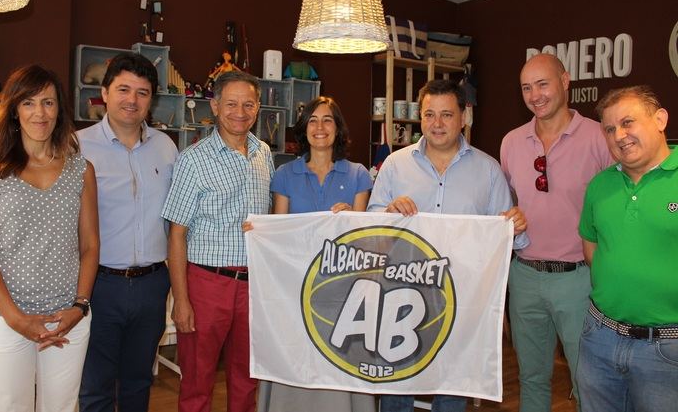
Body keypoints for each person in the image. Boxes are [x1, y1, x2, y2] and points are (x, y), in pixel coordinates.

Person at [368, 79, 528, 412]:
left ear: (463, 117)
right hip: (402, 292)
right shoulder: (395, 165)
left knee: (453, 386)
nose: (437, 124)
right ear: (420, 117)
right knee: (397, 383)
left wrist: (514, 226)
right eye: (429, 115)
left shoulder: (488, 171)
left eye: (446, 115)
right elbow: (370, 229)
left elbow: (504, 237)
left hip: (462, 298)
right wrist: (388, 212)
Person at [0, 65, 99, 412]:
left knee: (62, 407)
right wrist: (16, 318)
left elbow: (89, 245)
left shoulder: (81, 170)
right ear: (13, 110)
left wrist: (79, 307)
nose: (40, 112)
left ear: (59, 110)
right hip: (6, 318)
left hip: (66, 318)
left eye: (49, 102)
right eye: (29, 103)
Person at [499, 53, 612, 412]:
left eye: (543, 84)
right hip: (525, 276)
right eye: (526, 88)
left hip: (579, 279)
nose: (535, 95)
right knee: (531, 379)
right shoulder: (511, 142)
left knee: (588, 381)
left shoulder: (599, 137)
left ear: (565, 81)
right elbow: (508, 200)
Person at [162, 70, 274, 412]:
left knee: (246, 379)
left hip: (253, 285)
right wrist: (181, 301)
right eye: (231, 104)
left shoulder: (263, 153)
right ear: (215, 106)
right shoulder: (193, 160)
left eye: (248, 104)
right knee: (197, 381)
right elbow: (176, 233)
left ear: (257, 109)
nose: (240, 112)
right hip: (207, 283)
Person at [256, 96, 374, 412]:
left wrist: (351, 217)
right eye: (313, 120)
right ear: (304, 129)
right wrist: (259, 233)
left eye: (327, 120)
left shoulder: (358, 174)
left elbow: (362, 240)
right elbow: (279, 233)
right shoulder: (284, 174)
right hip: (296, 286)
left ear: (338, 129)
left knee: (339, 359)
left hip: (343, 290)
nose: (320, 127)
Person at [77, 53, 178, 412]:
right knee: (96, 386)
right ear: (104, 92)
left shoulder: (166, 148)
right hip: (98, 284)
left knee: (138, 382)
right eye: (123, 89)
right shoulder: (77, 147)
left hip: (153, 284)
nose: (132, 100)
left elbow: (178, 218)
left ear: (152, 99)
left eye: (142, 92)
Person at [577, 86, 678, 412]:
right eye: (609, 129)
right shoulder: (600, 185)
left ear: (660, 119)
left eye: (628, 122)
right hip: (600, 337)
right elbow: (591, 247)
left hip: (667, 347)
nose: (619, 135)